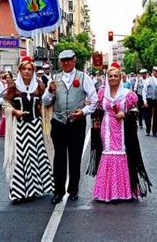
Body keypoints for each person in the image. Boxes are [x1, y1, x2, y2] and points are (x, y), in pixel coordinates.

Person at [89, 63, 152, 202]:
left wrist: (125, 113)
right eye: (110, 76)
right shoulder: (101, 93)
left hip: (122, 129)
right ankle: (106, 192)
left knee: (122, 154)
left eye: (115, 76)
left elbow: (135, 111)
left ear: (120, 78)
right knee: (106, 153)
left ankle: (122, 191)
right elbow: (97, 109)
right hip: (106, 128)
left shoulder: (128, 95)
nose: (112, 78)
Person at [42, 50, 98, 204]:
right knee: (59, 158)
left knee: (74, 157)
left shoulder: (83, 77)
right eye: (63, 61)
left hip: (76, 123)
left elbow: (94, 99)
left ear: (74, 60)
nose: (66, 63)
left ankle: (73, 190)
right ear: (60, 62)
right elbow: (46, 102)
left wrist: (84, 112)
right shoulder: (54, 79)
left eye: (68, 60)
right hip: (58, 122)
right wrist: (49, 91)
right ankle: (58, 191)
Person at [2, 57, 54, 203]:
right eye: (24, 69)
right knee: (21, 157)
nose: (27, 71)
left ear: (33, 71)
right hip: (20, 127)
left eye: (29, 69)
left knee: (36, 156)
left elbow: (46, 103)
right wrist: (14, 111)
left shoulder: (39, 87)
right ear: (20, 70)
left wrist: (50, 91)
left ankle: (35, 189)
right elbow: (4, 105)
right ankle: (18, 192)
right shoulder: (13, 88)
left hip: (36, 126)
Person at [142, 66, 157, 137]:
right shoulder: (148, 80)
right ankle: (148, 130)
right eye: (156, 71)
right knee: (148, 116)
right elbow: (144, 91)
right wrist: (144, 101)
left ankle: (154, 131)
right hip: (149, 99)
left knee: (156, 116)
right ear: (153, 71)